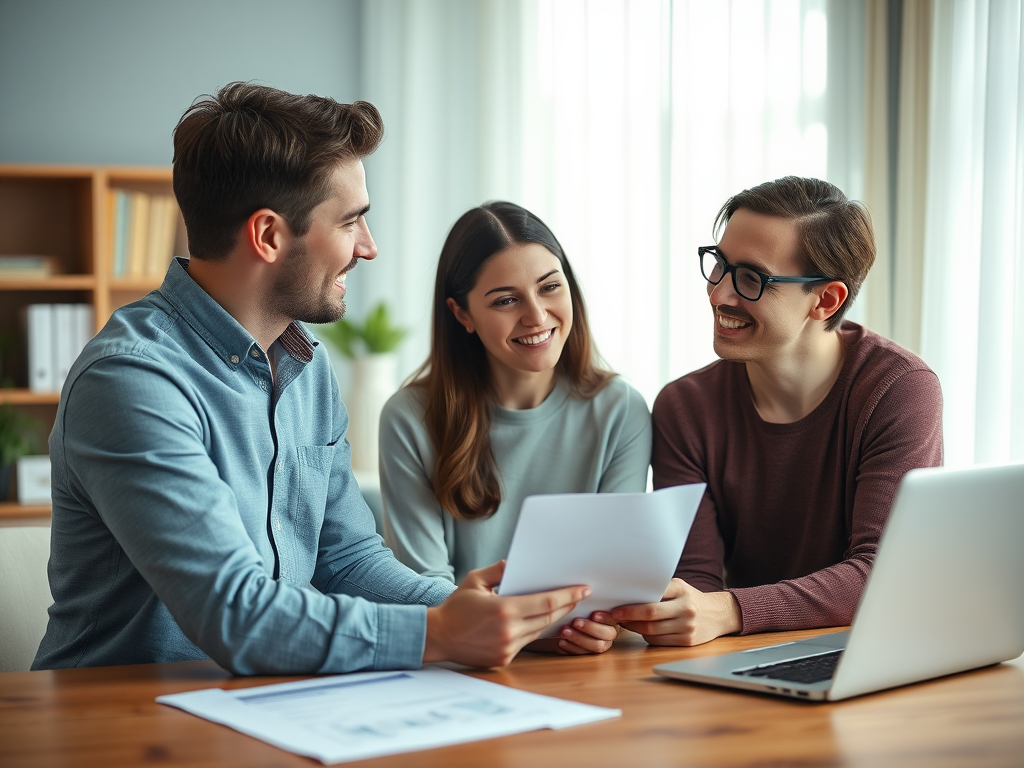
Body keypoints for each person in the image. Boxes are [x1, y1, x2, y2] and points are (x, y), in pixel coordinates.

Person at [33, 83, 591, 674]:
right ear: (269, 235)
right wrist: (440, 633)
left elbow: (347, 560)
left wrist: (492, 617)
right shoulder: (131, 380)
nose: (369, 248)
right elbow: (235, 613)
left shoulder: (306, 367)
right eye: (351, 222)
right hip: (113, 722)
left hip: (259, 708)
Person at [612, 176, 943, 646]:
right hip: (744, 656)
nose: (719, 295)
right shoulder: (684, 408)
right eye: (719, 266)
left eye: (752, 279)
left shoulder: (897, 390)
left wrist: (731, 610)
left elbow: (884, 572)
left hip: (870, 652)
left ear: (825, 300)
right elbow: (696, 585)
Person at [380, 201, 652, 655]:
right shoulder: (409, 417)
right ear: (462, 314)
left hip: (579, 668)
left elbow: (614, 579)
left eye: (550, 288)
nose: (536, 316)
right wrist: (506, 628)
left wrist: (608, 624)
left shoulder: (621, 409)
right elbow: (425, 586)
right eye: (506, 300)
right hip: (464, 664)